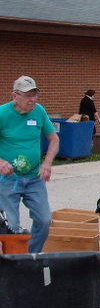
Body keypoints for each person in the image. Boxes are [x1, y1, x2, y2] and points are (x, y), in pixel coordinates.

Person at [0, 76, 59, 253]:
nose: (32, 99)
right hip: (8, 180)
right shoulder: (2, 113)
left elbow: (54, 139)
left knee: (44, 220)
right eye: (27, 95)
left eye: (34, 94)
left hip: (34, 178)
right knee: (12, 227)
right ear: (15, 96)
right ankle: (12, 264)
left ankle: (31, 257)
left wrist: (47, 163)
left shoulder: (39, 111)